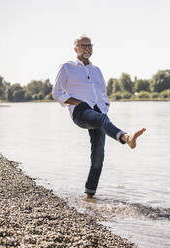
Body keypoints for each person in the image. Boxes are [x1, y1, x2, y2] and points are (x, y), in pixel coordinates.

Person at [52, 34, 146, 198]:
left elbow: (103, 93)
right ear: (75, 49)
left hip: (98, 111)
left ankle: (90, 195)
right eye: (83, 45)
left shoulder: (97, 70)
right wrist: (75, 103)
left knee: (98, 155)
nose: (87, 48)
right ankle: (126, 137)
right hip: (80, 110)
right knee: (103, 121)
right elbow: (56, 92)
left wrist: (105, 107)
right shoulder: (67, 67)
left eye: (89, 45)